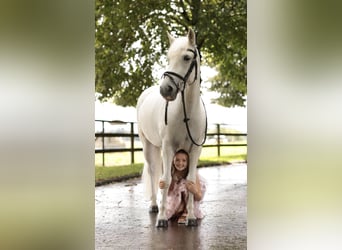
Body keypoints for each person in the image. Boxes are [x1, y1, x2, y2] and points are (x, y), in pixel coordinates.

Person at [159, 149, 206, 224]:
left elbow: (199, 197)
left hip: (189, 198)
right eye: (177, 160)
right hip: (177, 198)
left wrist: (195, 191)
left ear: (188, 162)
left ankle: (186, 211)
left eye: (184, 160)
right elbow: (168, 194)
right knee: (169, 211)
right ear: (173, 161)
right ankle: (179, 209)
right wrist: (162, 187)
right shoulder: (170, 174)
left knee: (185, 184)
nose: (180, 163)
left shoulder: (192, 174)